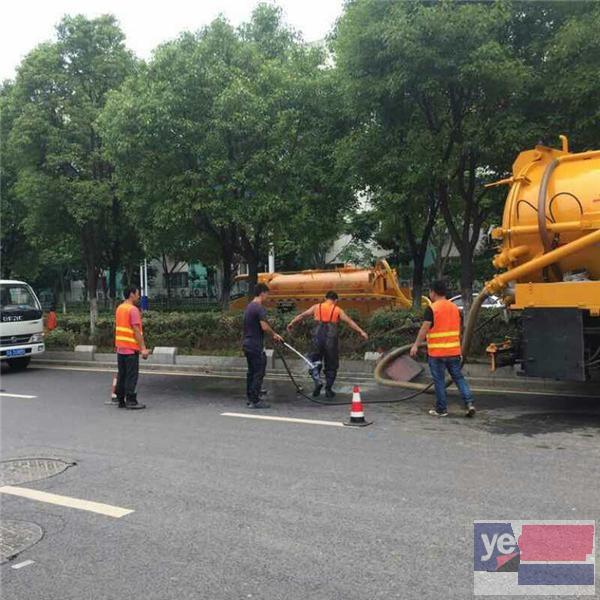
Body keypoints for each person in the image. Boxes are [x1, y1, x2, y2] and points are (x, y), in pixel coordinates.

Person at [410, 280, 475, 418]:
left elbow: (424, 329)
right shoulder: (454, 308)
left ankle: (441, 409)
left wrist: (416, 345)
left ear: (433, 292)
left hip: (437, 353)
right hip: (454, 352)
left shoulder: (432, 308)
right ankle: (469, 403)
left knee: (439, 381)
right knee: (458, 378)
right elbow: (459, 330)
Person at [287, 291, 368, 398]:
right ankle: (328, 389)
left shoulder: (316, 307)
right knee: (331, 365)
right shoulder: (337, 309)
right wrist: (361, 331)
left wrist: (292, 322)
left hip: (317, 338)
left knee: (314, 362)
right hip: (331, 338)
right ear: (336, 300)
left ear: (325, 298)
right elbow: (349, 321)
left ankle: (317, 381)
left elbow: (303, 315)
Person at [243, 283, 284, 409]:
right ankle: (255, 401)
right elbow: (264, 326)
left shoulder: (249, 306)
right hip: (256, 345)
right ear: (262, 293)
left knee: (251, 372)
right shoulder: (259, 308)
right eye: (267, 293)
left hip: (247, 344)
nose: (267, 296)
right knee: (258, 372)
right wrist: (274, 335)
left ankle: (251, 397)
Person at [114, 287, 149, 410]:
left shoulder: (119, 308)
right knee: (131, 376)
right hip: (130, 349)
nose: (138, 296)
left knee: (122, 375)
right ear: (131, 294)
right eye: (137, 294)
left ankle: (120, 400)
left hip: (120, 348)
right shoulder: (133, 310)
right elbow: (136, 331)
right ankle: (131, 401)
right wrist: (143, 348)